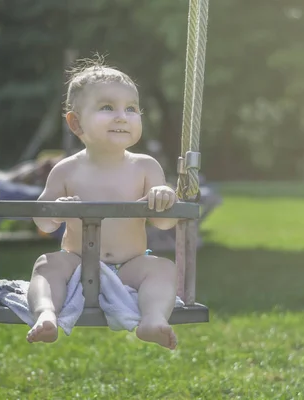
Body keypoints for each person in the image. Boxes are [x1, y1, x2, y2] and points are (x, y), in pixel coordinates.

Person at [27, 58, 180, 350]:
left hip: (130, 266)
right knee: (46, 265)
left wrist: (163, 195)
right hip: (77, 265)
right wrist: (57, 207)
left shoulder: (146, 167)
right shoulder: (65, 170)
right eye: (107, 107)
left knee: (163, 268)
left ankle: (153, 318)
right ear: (75, 123)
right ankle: (46, 313)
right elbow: (44, 223)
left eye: (131, 108)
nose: (122, 116)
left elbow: (165, 222)